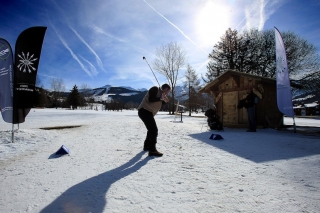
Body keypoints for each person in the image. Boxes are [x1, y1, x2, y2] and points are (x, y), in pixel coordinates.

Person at [138, 83, 171, 157]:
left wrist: (165, 100)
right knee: (154, 130)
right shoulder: (155, 89)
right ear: (166, 89)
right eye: (168, 91)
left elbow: (162, 104)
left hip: (148, 112)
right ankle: (152, 150)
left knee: (151, 130)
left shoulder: (161, 95)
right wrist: (161, 98)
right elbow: (151, 99)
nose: (168, 93)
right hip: (144, 110)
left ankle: (147, 146)